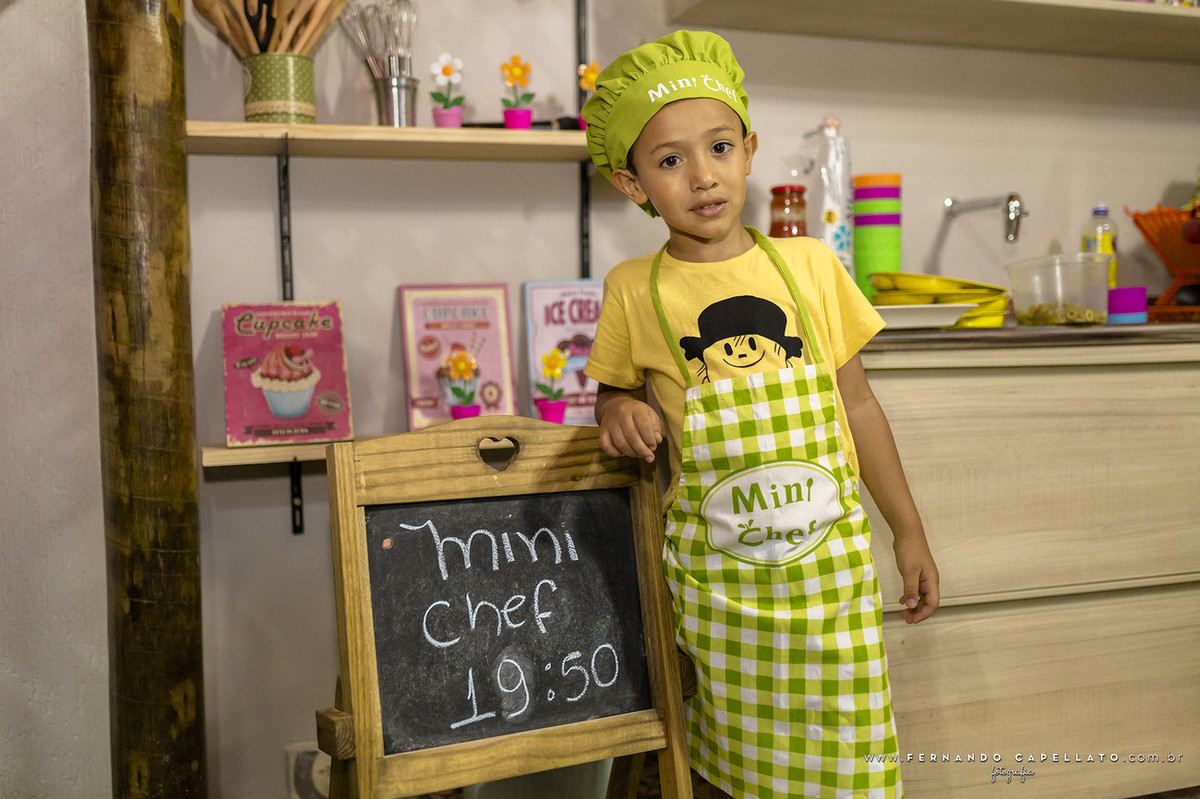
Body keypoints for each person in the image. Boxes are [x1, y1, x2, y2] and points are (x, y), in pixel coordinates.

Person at [580, 30, 940, 799]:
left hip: (828, 586)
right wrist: (618, 410)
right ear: (632, 183)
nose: (702, 175)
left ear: (749, 151)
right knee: (730, 766)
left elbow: (859, 404)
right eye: (670, 160)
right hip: (722, 596)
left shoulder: (810, 264)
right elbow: (610, 393)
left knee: (850, 763)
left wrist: (908, 530)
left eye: (719, 147)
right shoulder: (633, 289)